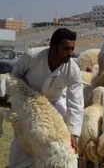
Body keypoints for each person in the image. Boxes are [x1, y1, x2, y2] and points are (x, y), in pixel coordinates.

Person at [9, 27, 84, 167]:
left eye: (72, 49)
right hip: (29, 107)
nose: (70, 53)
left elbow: (76, 101)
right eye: (66, 49)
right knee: (19, 152)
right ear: (53, 46)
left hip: (54, 109)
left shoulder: (72, 69)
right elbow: (15, 76)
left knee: (57, 150)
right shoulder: (32, 56)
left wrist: (74, 132)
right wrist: (27, 98)